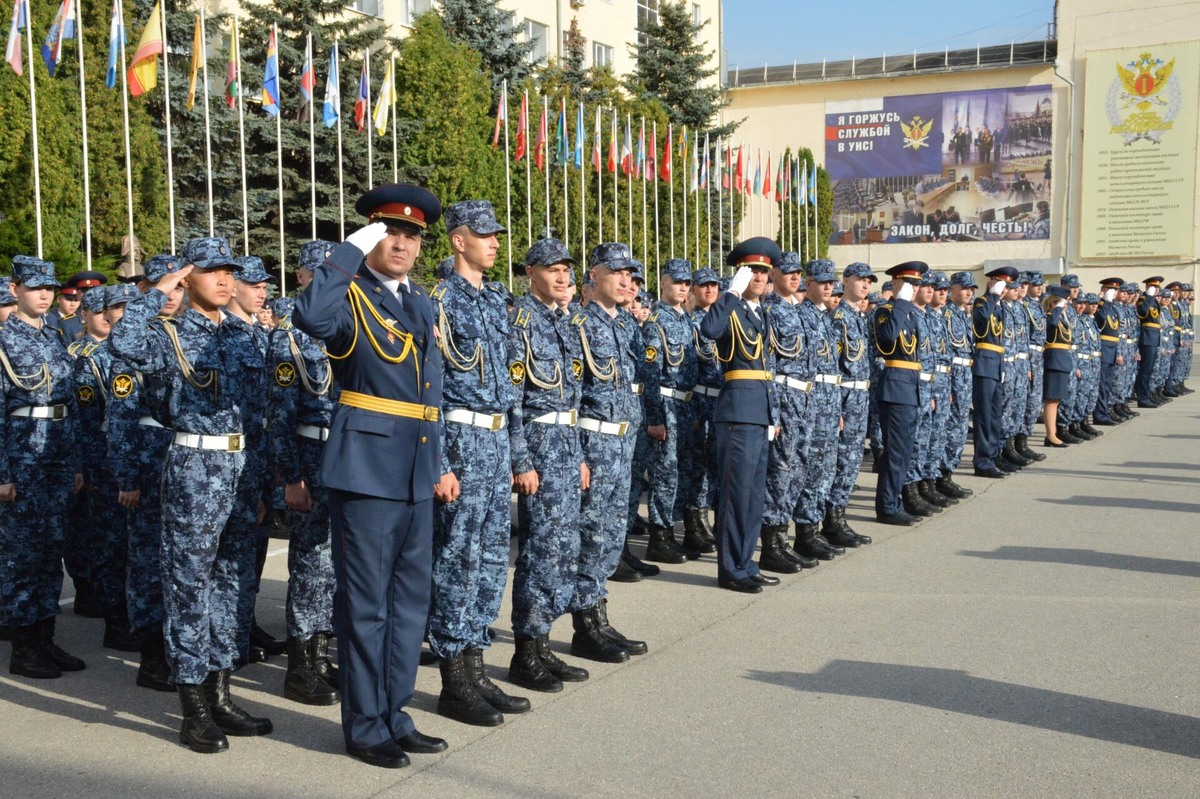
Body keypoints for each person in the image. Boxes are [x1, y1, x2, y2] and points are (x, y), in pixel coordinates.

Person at [293, 185, 447, 768]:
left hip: (414, 469)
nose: (402, 243)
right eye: (390, 232)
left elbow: (432, 392)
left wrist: (440, 463)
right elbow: (309, 317)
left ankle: (395, 714)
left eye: (411, 236)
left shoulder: (422, 303)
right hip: (366, 471)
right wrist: (345, 255)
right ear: (370, 238)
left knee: (409, 602)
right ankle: (364, 726)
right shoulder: (349, 298)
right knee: (365, 606)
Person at [111, 237, 271, 754]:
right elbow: (122, 345)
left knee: (234, 580)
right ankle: (193, 705)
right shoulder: (166, 334)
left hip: (242, 465)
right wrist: (156, 291)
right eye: (210, 272)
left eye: (229, 272)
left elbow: (265, 409)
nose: (225, 280)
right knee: (188, 583)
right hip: (195, 465)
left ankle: (221, 691)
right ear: (187, 279)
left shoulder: (246, 337)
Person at [426, 199, 529, 727]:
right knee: (455, 560)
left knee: (490, 561)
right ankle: (452, 680)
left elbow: (511, 390)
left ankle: (476, 665)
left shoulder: (496, 303)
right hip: (461, 442)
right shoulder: (437, 302)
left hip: (493, 443)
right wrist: (439, 463)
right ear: (458, 241)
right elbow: (431, 392)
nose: (494, 242)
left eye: (496, 234)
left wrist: (519, 454)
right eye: (483, 235)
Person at [505, 237, 591, 694]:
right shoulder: (521, 321)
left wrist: (577, 455)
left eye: (566, 270)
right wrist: (521, 460)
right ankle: (526, 648)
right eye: (552, 269)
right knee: (539, 551)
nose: (562, 277)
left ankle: (543, 643)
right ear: (530, 274)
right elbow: (514, 400)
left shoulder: (565, 323)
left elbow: (572, 397)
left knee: (561, 548)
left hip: (564, 444)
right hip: (537, 446)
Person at [1, 255, 86, 679]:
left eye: (49, 287)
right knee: (23, 555)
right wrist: (2, 474)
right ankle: (24, 647)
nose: (44, 294)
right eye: (35, 287)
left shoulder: (55, 338)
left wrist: (73, 463)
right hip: (22, 457)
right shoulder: (2, 342)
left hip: (55, 455)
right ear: (15, 289)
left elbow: (68, 405)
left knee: (52, 551)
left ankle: (45, 639)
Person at [267, 241, 341, 707]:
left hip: (348, 457)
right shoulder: (289, 336)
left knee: (336, 567)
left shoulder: (346, 326)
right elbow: (278, 417)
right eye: (318, 274)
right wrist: (290, 478)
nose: (326, 283)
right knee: (312, 565)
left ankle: (322, 652)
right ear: (300, 278)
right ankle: (301, 665)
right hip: (309, 458)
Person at [107, 255, 185, 692]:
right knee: (149, 561)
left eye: (178, 287)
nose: (172, 296)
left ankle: (178, 649)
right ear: (145, 291)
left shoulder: (185, 334)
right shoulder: (138, 339)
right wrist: (128, 479)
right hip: (149, 463)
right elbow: (120, 418)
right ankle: (153, 657)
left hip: (187, 460)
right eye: (163, 287)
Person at [569, 242, 649, 660]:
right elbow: (570, 397)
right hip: (593, 443)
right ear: (594, 275)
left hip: (622, 443)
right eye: (617, 273)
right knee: (590, 534)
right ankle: (585, 625)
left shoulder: (625, 326)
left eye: (632, 275)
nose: (626, 282)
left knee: (611, 535)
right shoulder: (578, 324)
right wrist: (578, 456)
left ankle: (598, 615)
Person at [702, 237, 782, 593]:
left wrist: (772, 414)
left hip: (759, 411)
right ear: (740, 274)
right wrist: (728, 295)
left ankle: (746, 562)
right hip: (737, 411)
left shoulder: (760, 313)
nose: (761, 277)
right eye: (753, 271)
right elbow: (709, 331)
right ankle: (731, 569)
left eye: (765, 271)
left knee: (753, 494)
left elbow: (767, 368)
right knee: (735, 495)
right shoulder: (731, 307)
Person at [761, 252, 820, 573]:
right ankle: (771, 542)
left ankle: (786, 537)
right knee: (779, 471)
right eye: (789, 272)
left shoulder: (800, 312)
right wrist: (772, 412)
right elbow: (767, 365)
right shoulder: (770, 311)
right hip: (783, 399)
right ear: (774, 274)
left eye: (799, 273)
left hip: (805, 399)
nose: (795, 278)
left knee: (798, 468)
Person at [640, 258, 702, 561]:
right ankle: (659, 536)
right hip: (665, 404)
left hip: (685, 404)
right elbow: (650, 373)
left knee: (681, 472)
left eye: (686, 283)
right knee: (664, 473)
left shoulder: (685, 320)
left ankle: (674, 529)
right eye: (677, 281)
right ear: (663, 282)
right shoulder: (657, 322)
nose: (682, 287)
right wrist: (654, 418)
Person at [872, 261, 927, 525]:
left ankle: (895, 500)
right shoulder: (885, 311)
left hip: (910, 387)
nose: (913, 289)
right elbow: (886, 341)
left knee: (905, 451)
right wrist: (901, 303)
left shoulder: (912, 314)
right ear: (895, 284)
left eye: (916, 284)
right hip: (894, 388)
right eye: (908, 283)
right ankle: (886, 507)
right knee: (894, 452)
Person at [826, 262, 876, 545]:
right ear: (845, 281)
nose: (865, 285)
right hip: (845, 399)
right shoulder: (839, 318)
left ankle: (840, 517)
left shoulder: (859, 318)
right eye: (860, 279)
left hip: (860, 398)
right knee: (841, 461)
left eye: (868, 280)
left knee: (852, 460)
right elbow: (833, 368)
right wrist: (837, 408)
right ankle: (832, 522)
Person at [971, 265, 1018, 478]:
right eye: (1001, 284)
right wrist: (992, 295)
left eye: (1006, 286)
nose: (1005, 289)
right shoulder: (983, 302)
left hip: (998, 363)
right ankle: (982, 461)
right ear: (991, 282)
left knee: (996, 414)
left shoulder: (1000, 306)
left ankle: (994, 455)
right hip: (984, 363)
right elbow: (981, 319)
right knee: (984, 415)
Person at [1041, 286, 1075, 446]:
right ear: (1053, 303)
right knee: (1051, 400)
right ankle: (1050, 435)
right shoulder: (1050, 317)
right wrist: (1058, 307)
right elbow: (1052, 324)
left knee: (1056, 400)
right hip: (1054, 360)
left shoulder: (1061, 318)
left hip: (1062, 361)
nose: (1065, 306)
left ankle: (1052, 434)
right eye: (1062, 303)